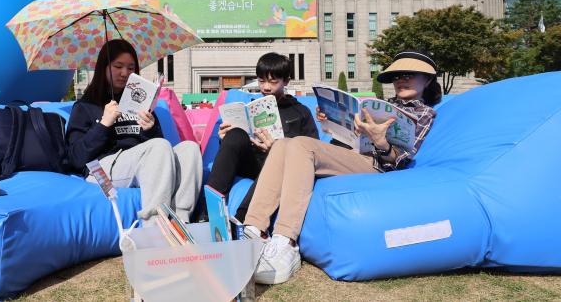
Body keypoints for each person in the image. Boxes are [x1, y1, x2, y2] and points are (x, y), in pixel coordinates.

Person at [243, 51, 442, 285]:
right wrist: (329, 120)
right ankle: (254, 230)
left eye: (409, 75)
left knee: (301, 145)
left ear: (427, 80)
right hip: (353, 154)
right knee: (283, 144)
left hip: (377, 166)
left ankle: (286, 240)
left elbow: (400, 161)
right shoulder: (382, 106)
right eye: (397, 75)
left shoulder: (422, 114)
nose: (401, 79)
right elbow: (349, 138)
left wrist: (380, 141)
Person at [66, 39, 202, 225]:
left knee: (190, 148)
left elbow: (161, 154)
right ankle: (155, 226)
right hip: (101, 169)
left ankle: (181, 222)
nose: (124, 73)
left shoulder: (139, 101)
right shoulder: (85, 106)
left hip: (138, 164)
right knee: (159, 146)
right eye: (118, 66)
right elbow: (75, 157)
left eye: (131, 68)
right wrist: (104, 124)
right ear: (103, 68)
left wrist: (151, 128)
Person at [204, 52, 319, 222]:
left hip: (277, 167)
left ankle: (242, 218)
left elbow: (312, 148)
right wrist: (225, 138)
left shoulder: (300, 112)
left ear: (286, 81)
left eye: (273, 82)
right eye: (261, 81)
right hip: (250, 161)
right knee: (235, 134)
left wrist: (276, 148)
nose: (266, 87)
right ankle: (209, 212)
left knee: (278, 158)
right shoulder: (251, 106)